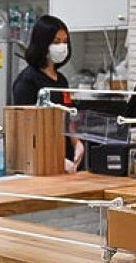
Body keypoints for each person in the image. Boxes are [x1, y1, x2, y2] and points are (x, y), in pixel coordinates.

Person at [12, 14, 85, 172]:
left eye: (65, 42)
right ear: (43, 44)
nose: (62, 46)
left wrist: (76, 142)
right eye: (56, 42)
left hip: (65, 157)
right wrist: (55, 157)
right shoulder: (27, 81)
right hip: (39, 160)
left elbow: (67, 116)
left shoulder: (61, 81)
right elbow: (29, 129)